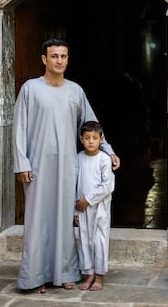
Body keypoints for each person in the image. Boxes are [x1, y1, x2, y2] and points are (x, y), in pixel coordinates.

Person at [12, 39, 120, 293]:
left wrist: (109, 151)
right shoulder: (30, 89)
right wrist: (21, 163)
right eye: (54, 56)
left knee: (64, 220)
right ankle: (35, 277)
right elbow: (19, 128)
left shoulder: (75, 91)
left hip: (68, 167)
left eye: (63, 56)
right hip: (37, 167)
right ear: (44, 59)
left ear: (67, 59)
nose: (59, 60)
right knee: (38, 221)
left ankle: (65, 273)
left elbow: (91, 124)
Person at [74, 121, 115, 291]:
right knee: (83, 240)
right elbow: (73, 184)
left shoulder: (104, 159)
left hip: (99, 209)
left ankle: (99, 276)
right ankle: (89, 274)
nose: (91, 141)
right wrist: (73, 209)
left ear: (101, 139)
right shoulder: (78, 158)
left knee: (99, 241)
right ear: (81, 139)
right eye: (87, 138)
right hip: (81, 208)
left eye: (94, 138)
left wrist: (88, 200)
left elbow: (107, 186)